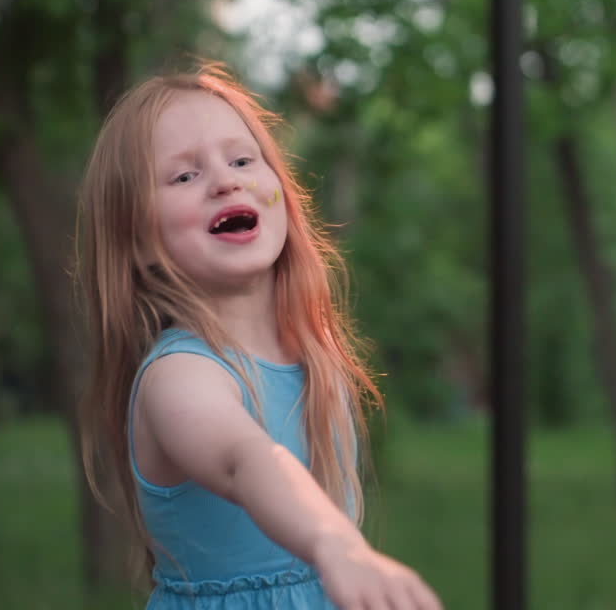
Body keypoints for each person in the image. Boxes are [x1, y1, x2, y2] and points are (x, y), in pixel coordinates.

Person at [75, 63, 442, 610]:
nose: (226, 180)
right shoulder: (179, 375)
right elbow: (246, 460)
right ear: (138, 240)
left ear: (283, 194)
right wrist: (335, 543)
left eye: (243, 160)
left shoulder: (313, 358)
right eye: (183, 176)